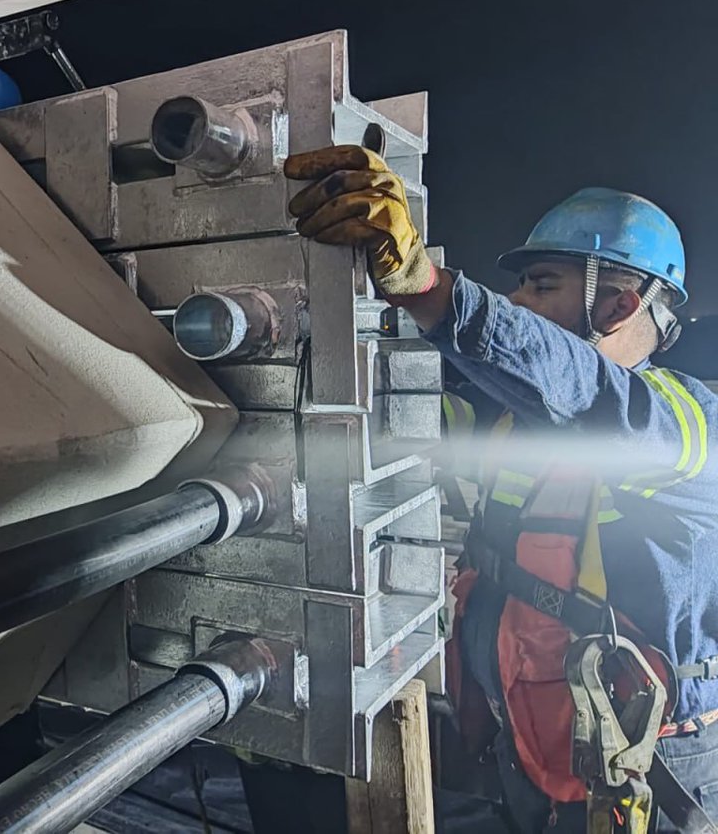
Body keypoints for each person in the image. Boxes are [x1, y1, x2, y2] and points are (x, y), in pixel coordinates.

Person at [284, 145, 718, 832]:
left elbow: (587, 393)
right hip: (531, 749)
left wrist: (430, 288)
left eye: (540, 285)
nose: (517, 301)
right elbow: (422, 426)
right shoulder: (515, 421)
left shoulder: (684, 424)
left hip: (643, 776)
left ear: (618, 303)